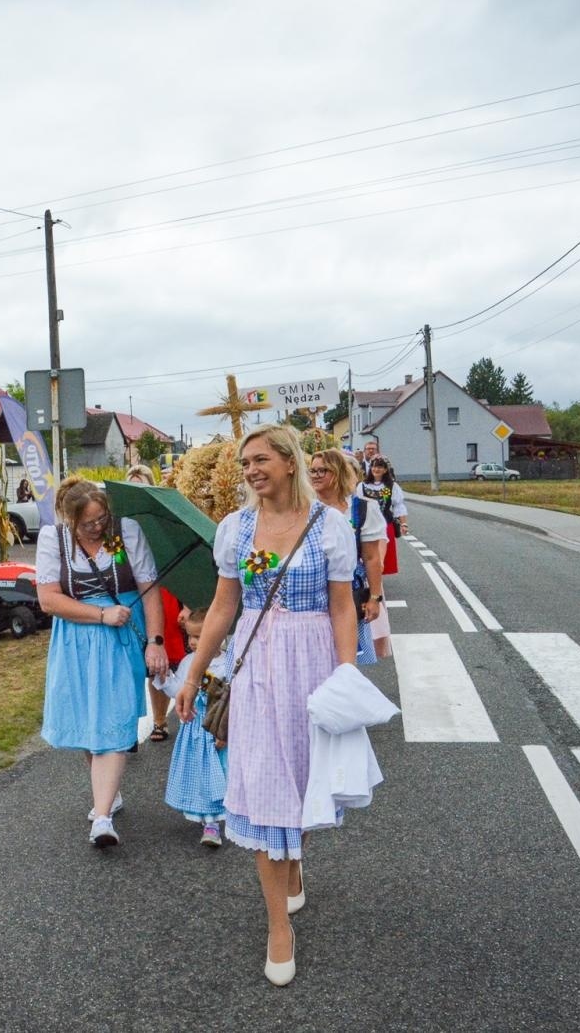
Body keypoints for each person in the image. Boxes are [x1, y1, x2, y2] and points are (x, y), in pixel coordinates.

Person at [177, 423, 358, 987]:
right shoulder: (235, 528)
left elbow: (342, 608)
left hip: (311, 663)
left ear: (288, 461)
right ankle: (280, 926)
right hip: (256, 669)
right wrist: (195, 671)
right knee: (264, 787)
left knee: (300, 782)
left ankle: (295, 864)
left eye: (259, 459)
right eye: (244, 462)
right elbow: (223, 605)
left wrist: (347, 675)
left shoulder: (330, 526)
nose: (251, 470)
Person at [36, 478, 169, 847]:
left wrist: (156, 642)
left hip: (122, 633)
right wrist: (99, 614)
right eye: (88, 524)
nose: (97, 527)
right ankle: (107, 793)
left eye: (101, 519)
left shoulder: (126, 529)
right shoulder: (53, 539)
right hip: (77, 636)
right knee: (87, 718)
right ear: (70, 520)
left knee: (112, 717)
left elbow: (151, 588)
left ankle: (103, 818)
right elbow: (48, 600)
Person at [309, 448, 387, 663]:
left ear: (338, 473)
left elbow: (371, 558)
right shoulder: (302, 508)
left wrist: (374, 598)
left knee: (345, 660)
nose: (315, 475)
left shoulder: (361, 509)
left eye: (322, 470)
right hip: (311, 593)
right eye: (312, 471)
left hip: (348, 592)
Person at [125, 462, 183, 741]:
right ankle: (132, 725)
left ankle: (161, 719)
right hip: (133, 595)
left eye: (141, 485)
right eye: (131, 485)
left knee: (163, 661)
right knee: (138, 664)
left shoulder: (160, 518)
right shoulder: (118, 521)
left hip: (165, 591)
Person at [160, 607, 228, 847]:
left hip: (218, 729)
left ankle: (228, 817)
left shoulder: (228, 662)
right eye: (191, 637)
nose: (194, 643)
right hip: (196, 732)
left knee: (223, 776)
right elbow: (179, 692)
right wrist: (164, 678)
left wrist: (226, 730)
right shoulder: (189, 662)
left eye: (200, 636)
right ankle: (210, 823)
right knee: (204, 777)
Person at [357, 457, 408, 576]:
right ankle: (372, 582)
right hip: (367, 526)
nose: (376, 469)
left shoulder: (389, 486)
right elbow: (357, 506)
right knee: (367, 556)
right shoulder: (363, 486)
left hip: (385, 525)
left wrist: (403, 523)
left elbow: (398, 506)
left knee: (380, 559)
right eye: (374, 466)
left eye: (380, 467)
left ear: (385, 470)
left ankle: (376, 587)